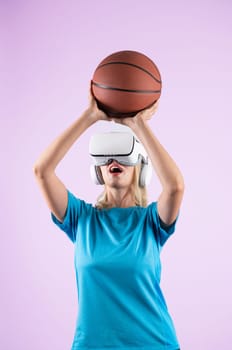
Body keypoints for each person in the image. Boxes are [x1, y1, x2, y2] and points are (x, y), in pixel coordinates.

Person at [33, 91, 184, 350]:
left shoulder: (151, 222)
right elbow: (42, 171)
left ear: (141, 168)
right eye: (106, 156)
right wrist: (90, 116)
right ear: (98, 171)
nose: (114, 160)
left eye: (123, 155)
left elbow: (175, 187)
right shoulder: (81, 220)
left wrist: (137, 124)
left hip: (154, 343)